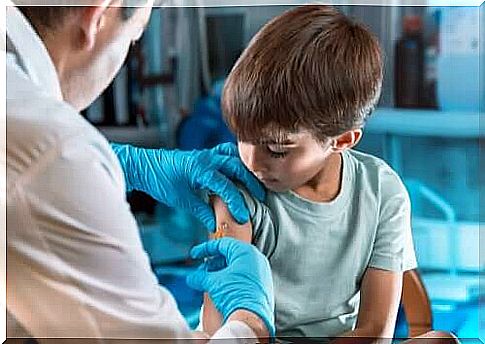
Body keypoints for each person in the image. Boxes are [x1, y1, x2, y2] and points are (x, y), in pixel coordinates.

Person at [5, 0, 275, 341]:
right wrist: (249, 324)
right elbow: (37, 164)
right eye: (133, 40)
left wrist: (124, 163)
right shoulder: (49, 152)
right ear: (98, 15)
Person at [199, 5, 417, 341]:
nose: (253, 161)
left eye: (278, 149)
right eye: (242, 137)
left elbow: (375, 331)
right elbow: (220, 321)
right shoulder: (236, 188)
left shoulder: (382, 193)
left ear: (342, 140)